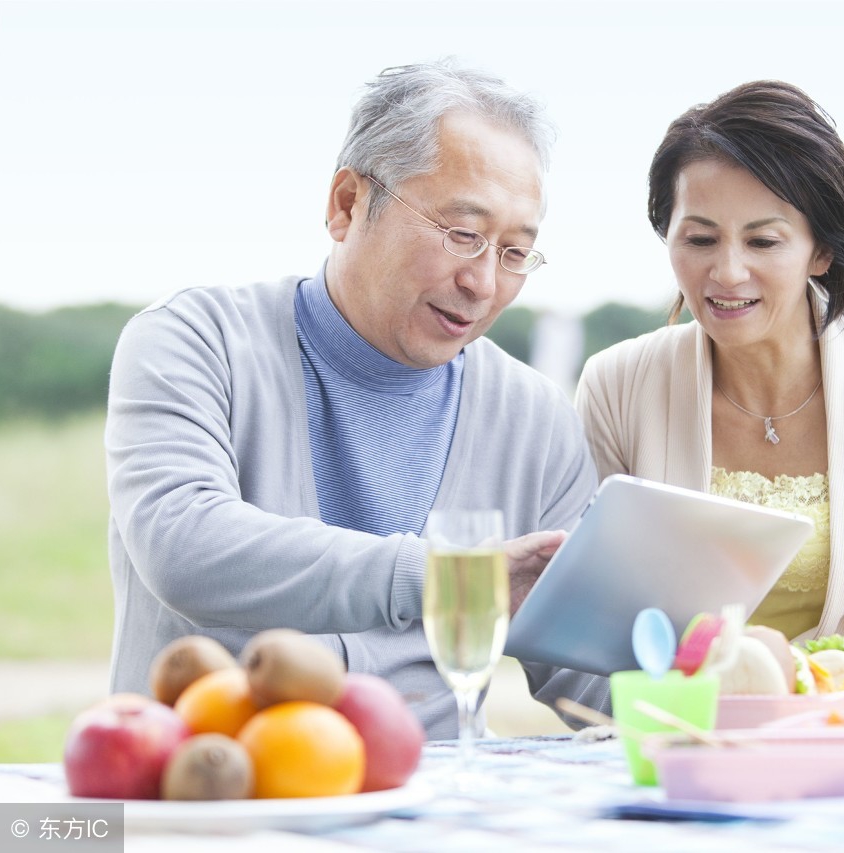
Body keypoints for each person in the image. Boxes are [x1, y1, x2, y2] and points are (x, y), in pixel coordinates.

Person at [105, 59, 610, 738]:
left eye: (515, 251)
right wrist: (451, 578)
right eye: (462, 233)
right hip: (214, 793)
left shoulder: (534, 416)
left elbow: (587, 675)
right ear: (346, 203)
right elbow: (183, 543)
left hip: (434, 817)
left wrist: (722, 672)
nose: (484, 281)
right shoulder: (191, 340)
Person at [575, 80, 844, 687]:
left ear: (822, 251)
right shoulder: (616, 385)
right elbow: (597, 616)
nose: (727, 272)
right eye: (700, 239)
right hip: (681, 734)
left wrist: (831, 682)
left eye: (763, 240)